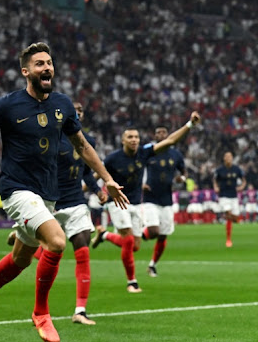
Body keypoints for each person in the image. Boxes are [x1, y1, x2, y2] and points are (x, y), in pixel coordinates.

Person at [0, 42, 128, 342]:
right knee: (57, 242)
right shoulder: (7, 105)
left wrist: (106, 179)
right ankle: (41, 313)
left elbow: (82, 146)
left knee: (21, 258)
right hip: (16, 189)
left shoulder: (63, 105)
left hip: (48, 194)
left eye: (50, 62)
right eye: (40, 63)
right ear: (26, 71)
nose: (47, 68)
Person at [6, 101, 106, 325]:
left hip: (76, 203)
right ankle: (25, 238)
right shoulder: (49, 136)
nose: (77, 114)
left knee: (83, 249)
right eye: (74, 111)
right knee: (51, 250)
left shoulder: (87, 142)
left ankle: (80, 310)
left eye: (80, 111)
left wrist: (98, 190)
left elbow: (86, 172)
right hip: (49, 202)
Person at [91, 112, 201, 292]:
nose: (134, 140)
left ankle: (104, 235)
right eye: (130, 137)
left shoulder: (143, 153)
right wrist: (90, 191)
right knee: (127, 240)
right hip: (117, 202)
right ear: (123, 140)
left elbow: (171, 142)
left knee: (134, 246)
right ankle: (132, 282)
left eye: (136, 137)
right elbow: (96, 174)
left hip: (136, 203)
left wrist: (190, 124)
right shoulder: (113, 158)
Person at [140, 123, 188, 278]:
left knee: (163, 235)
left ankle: (152, 265)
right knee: (154, 231)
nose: (161, 134)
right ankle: (136, 234)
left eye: (164, 132)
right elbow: (137, 167)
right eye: (158, 132)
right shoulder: (149, 151)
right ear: (155, 136)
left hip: (167, 198)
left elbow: (183, 171)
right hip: (150, 197)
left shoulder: (175, 154)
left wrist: (182, 178)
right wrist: (141, 183)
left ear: (168, 135)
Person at [213, 151, 246, 247]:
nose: (228, 158)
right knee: (228, 213)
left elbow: (244, 179)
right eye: (227, 157)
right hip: (223, 196)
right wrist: (215, 187)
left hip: (234, 196)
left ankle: (234, 219)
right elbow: (215, 179)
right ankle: (228, 240)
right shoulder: (219, 170)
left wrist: (242, 186)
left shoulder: (236, 169)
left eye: (230, 157)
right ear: (224, 158)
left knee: (235, 218)